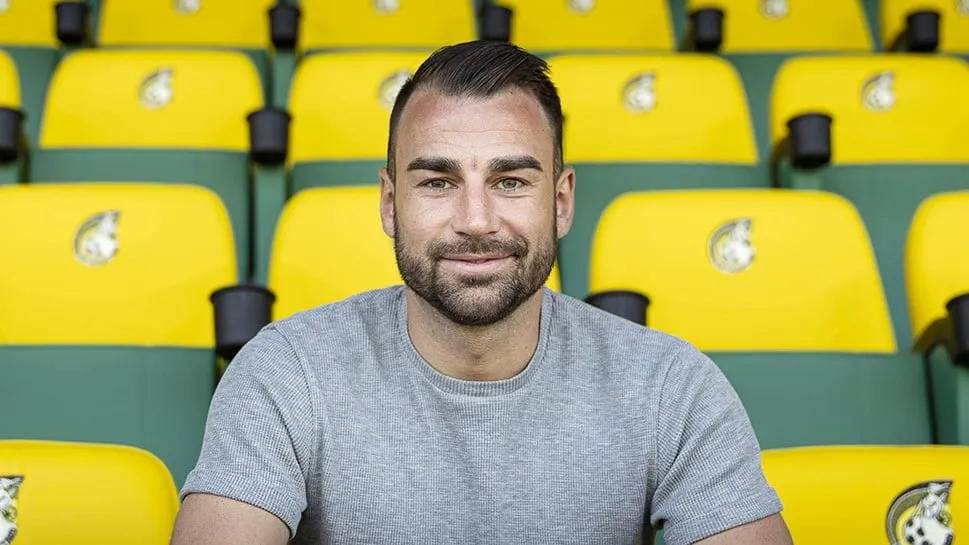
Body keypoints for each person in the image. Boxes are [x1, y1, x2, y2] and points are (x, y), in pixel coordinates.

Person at [170, 40, 793, 545]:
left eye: (511, 181)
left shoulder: (670, 386)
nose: (475, 220)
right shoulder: (286, 373)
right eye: (438, 182)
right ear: (389, 203)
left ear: (561, 201)